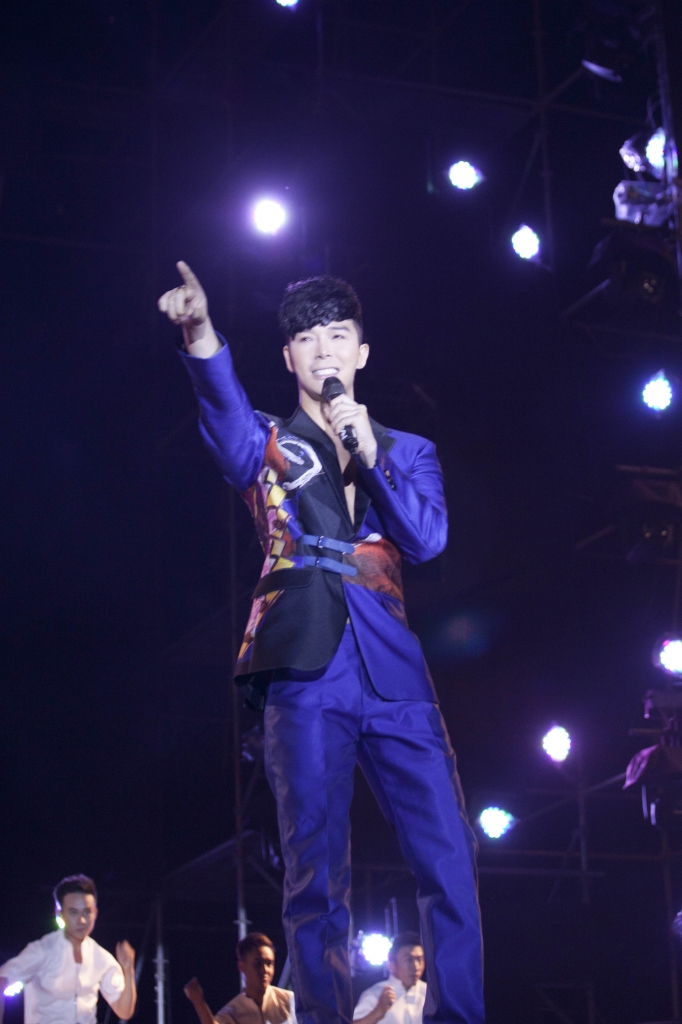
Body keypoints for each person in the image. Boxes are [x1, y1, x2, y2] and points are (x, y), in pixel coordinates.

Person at [158, 264, 484, 1024]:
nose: (324, 349)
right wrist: (200, 334)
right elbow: (224, 413)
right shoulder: (266, 442)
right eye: (307, 338)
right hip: (304, 670)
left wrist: (366, 448)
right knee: (315, 871)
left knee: (450, 857)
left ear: (361, 353)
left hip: (396, 678)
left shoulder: (408, 450)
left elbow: (427, 539)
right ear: (288, 357)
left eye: (338, 335)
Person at [0, 874, 136, 1024]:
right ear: (60, 913)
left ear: (95, 913)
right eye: (73, 912)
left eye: (87, 912)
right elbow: (3, 979)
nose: (82, 920)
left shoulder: (101, 957)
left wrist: (128, 970)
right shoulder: (42, 950)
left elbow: (124, 1011)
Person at [184, 932, 295, 1024]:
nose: (265, 970)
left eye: (269, 964)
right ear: (242, 966)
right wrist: (199, 1002)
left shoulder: (290, 1000)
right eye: (258, 964)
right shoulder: (233, 1012)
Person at [353, 934, 426, 1024]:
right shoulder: (375, 994)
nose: (416, 966)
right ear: (392, 965)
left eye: (419, 959)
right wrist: (378, 1011)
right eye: (409, 960)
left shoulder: (430, 993)